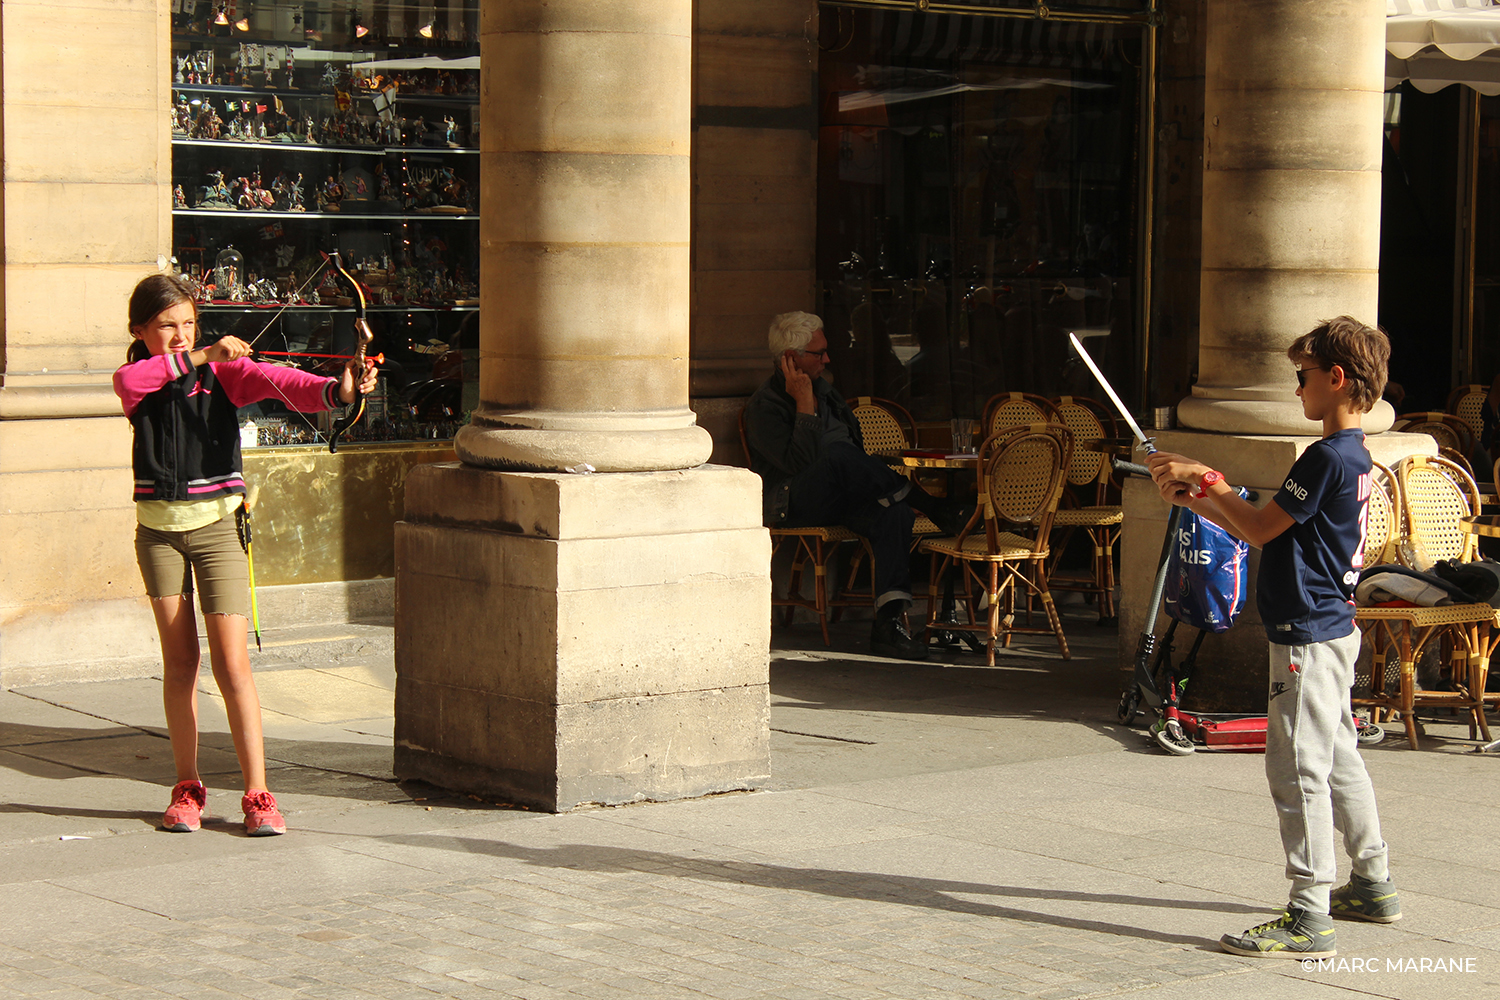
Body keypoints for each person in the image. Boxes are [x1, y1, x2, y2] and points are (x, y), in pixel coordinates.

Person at [1147, 316, 1399, 958]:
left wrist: (1207, 481)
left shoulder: (1323, 458)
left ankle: (1309, 912)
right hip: (1330, 630)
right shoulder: (1353, 457)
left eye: (1303, 377)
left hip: (1308, 636)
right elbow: (1267, 523)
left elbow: (1258, 530)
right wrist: (1199, 495)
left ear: (1336, 378)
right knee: (1338, 755)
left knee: (1297, 769)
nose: (1297, 391)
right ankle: (1372, 881)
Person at [113, 274, 377, 836]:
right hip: (158, 534)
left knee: (233, 665)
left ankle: (258, 794)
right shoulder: (136, 378)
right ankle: (187, 787)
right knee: (181, 664)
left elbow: (281, 382)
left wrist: (342, 388)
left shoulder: (222, 373)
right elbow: (141, 377)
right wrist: (206, 352)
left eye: (188, 324)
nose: (180, 335)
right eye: (166, 327)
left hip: (216, 533)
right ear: (140, 331)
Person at [744, 311, 971, 661]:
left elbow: (857, 451)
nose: (827, 359)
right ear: (790, 358)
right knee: (837, 456)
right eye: (818, 353)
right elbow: (798, 464)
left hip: (842, 491)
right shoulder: (765, 405)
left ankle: (888, 626)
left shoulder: (827, 392)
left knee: (893, 514)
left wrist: (873, 485)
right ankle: (933, 505)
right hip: (793, 500)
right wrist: (803, 403)